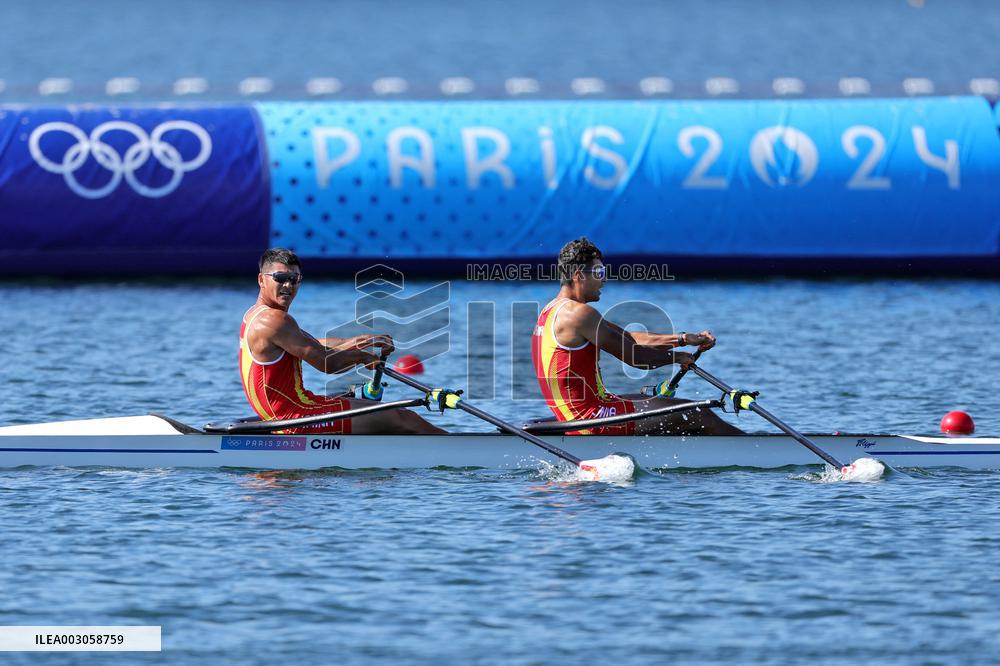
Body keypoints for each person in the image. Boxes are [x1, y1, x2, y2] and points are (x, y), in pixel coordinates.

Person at [531, 237, 742, 435]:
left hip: (585, 410)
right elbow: (637, 358)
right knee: (698, 412)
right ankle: (755, 452)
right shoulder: (579, 314)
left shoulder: (551, 310)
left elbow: (629, 338)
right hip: (590, 419)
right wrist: (678, 358)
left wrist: (684, 339)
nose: (603, 280)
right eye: (599, 272)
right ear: (578, 275)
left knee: (657, 402)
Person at [240, 247, 445, 434]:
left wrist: (361, 341)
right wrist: (362, 357)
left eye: (295, 278)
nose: (288, 285)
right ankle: (464, 454)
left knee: (384, 415)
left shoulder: (255, 315)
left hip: (289, 412)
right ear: (261, 280)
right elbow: (328, 363)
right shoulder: (275, 320)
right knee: (404, 418)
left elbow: (313, 344)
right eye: (280, 277)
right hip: (295, 417)